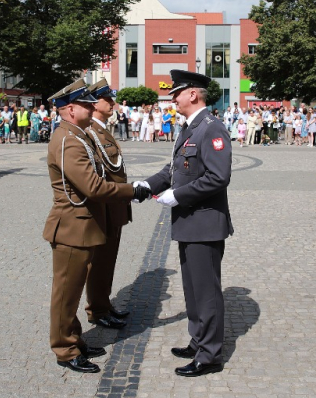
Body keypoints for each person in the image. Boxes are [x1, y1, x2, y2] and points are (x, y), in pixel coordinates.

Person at [43, 78, 149, 374]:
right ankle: (65, 349)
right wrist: (134, 190)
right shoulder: (66, 139)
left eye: (92, 104)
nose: (92, 109)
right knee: (66, 293)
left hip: (84, 224)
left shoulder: (78, 135)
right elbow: (92, 187)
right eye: (86, 105)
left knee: (74, 290)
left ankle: (74, 338)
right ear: (70, 109)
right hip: (71, 227)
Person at [140, 69, 233, 378]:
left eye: (176, 93)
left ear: (193, 94)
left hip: (204, 223)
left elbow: (218, 178)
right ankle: (198, 340)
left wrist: (178, 196)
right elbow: (174, 168)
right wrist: (146, 186)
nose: (173, 98)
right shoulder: (189, 128)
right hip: (190, 223)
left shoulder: (210, 128)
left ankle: (210, 355)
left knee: (206, 292)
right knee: (193, 289)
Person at [83, 79, 132, 330]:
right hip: (104, 208)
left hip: (114, 207)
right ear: (93, 103)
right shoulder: (91, 131)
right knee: (100, 262)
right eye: (107, 99)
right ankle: (97, 310)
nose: (112, 102)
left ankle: (104, 303)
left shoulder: (102, 128)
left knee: (107, 260)